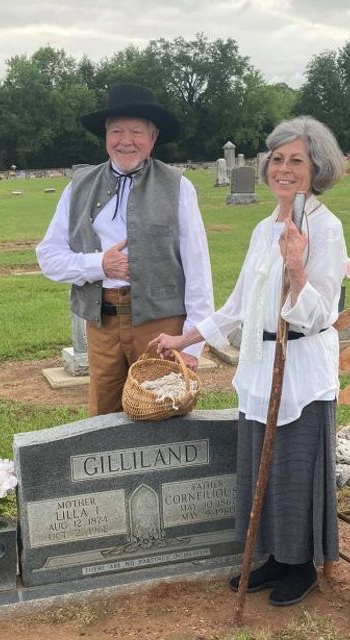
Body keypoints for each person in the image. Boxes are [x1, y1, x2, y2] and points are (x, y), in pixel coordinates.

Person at [150, 116, 347, 606]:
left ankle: (301, 565)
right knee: (265, 463)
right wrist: (184, 339)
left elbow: (321, 313)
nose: (283, 168)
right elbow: (238, 305)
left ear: (316, 168)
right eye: (277, 159)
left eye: (295, 160)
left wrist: (298, 269)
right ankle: (277, 557)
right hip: (260, 364)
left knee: (295, 466)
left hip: (300, 367)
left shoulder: (325, 227)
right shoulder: (265, 228)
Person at [36, 84, 214, 416]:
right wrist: (100, 264)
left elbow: (197, 267)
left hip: (161, 325)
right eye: (117, 131)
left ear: (153, 136)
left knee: (162, 414)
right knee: (102, 418)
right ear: (106, 135)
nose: (126, 140)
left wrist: (193, 341)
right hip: (103, 323)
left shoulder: (178, 187)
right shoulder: (79, 188)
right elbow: (49, 257)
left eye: (136, 131)